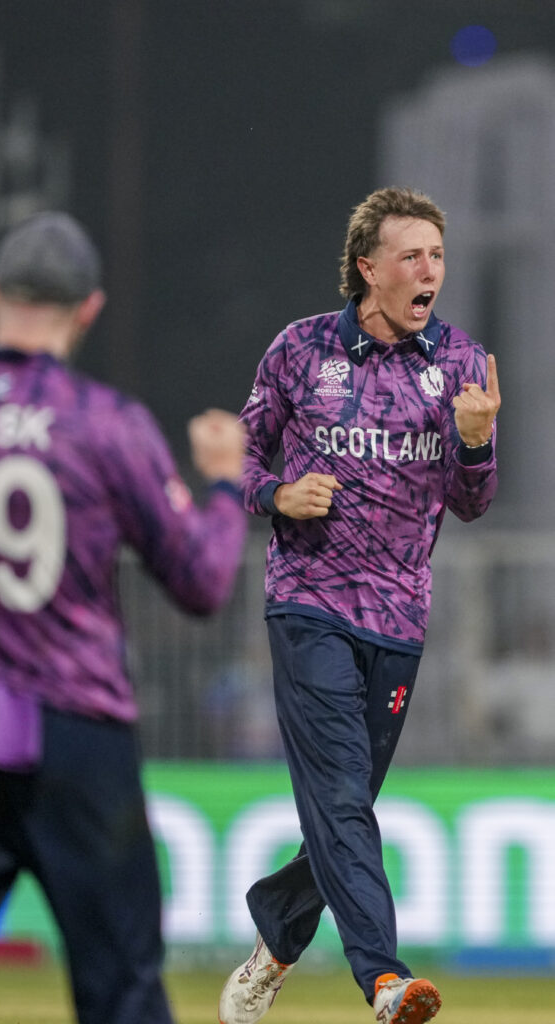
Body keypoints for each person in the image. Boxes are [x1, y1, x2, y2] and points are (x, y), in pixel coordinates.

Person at [0, 211, 248, 1024]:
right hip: (76, 736)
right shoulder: (103, 421)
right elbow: (203, 580)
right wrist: (225, 484)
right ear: (89, 309)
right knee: (123, 994)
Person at [218, 187, 500, 1024]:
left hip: (401, 619)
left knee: (346, 806)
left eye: (437, 256)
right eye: (412, 256)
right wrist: (277, 493)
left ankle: (277, 927)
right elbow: (238, 458)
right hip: (308, 602)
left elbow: (473, 503)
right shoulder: (301, 350)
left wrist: (476, 443)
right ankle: (384, 980)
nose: (430, 271)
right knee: (341, 796)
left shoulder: (461, 363)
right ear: (368, 268)